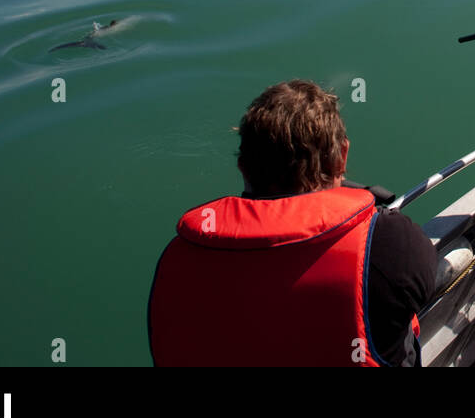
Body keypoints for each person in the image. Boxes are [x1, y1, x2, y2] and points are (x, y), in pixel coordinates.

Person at [148, 79, 437, 366]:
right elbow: (424, 287)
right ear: (342, 157)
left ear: (242, 167)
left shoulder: (177, 256)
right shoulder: (389, 244)